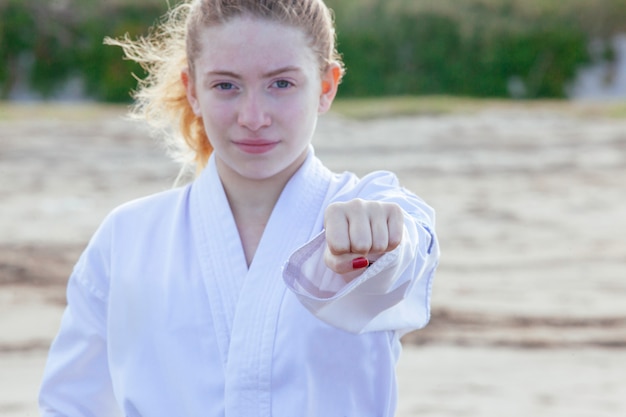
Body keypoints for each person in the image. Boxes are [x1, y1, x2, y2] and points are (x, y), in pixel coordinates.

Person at [39, 0, 440, 416]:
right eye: (226, 86)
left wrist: (384, 237)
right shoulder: (127, 238)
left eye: (281, 84)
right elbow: (71, 405)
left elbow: (407, 252)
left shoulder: (375, 212)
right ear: (192, 90)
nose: (253, 117)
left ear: (326, 87)